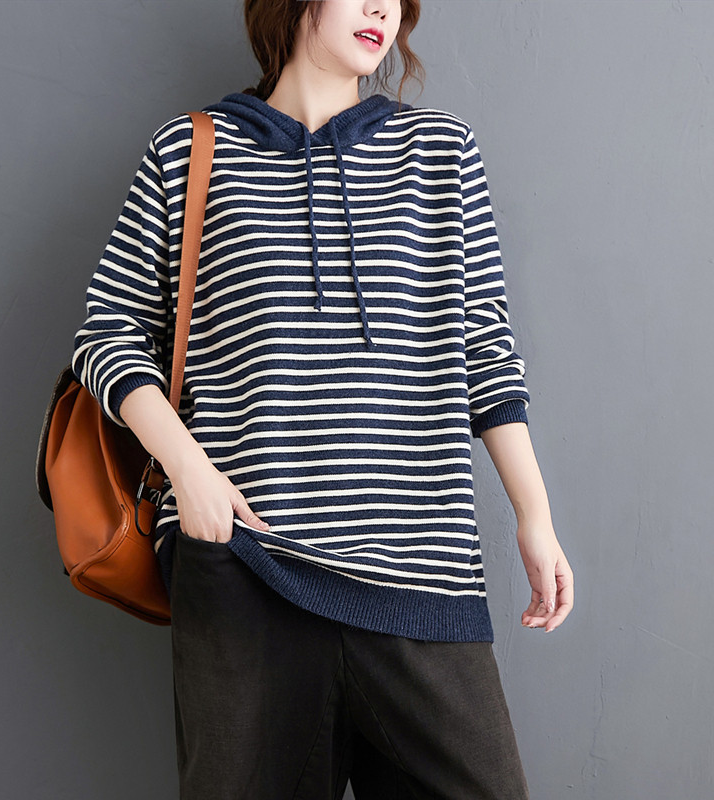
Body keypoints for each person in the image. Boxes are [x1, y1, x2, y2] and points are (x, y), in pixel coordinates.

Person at [71, 0, 574, 797]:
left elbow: (484, 349)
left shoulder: (441, 153)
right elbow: (108, 333)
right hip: (245, 569)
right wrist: (191, 475)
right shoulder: (190, 151)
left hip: (418, 574)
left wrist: (534, 517)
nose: (382, 9)